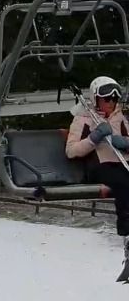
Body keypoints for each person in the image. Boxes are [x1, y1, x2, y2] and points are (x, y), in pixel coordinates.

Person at [67, 76, 129, 281]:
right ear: (95, 98)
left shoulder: (120, 119)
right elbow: (71, 150)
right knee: (123, 183)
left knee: (124, 179)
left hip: (122, 163)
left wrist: (125, 142)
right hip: (98, 165)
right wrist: (94, 138)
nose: (110, 103)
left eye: (113, 99)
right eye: (105, 99)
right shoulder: (85, 118)